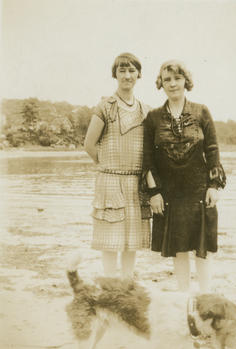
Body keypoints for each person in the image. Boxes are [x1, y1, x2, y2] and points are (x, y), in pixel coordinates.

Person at [142, 60, 226, 292]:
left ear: (185, 81)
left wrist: (214, 186)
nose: (172, 84)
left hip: (200, 189)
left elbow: (212, 150)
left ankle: (206, 297)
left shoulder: (201, 111)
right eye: (167, 79)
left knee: (203, 248)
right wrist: (154, 192)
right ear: (161, 83)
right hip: (169, 193)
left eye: (177, 78)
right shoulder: (153, 117)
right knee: (179, 249)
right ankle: (183, 300)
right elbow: (147, 159)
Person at [84, 53, 151, 278]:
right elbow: (89, 144)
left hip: (135, 182)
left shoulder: (145, 110)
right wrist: (107, 167)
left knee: (132, 242)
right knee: (110, 241)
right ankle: (111, 284)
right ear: (115, 74)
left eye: (131, 71)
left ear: (138, 75)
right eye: (122, 71)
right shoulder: (105, 106)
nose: (127, 75)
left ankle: (127, 284)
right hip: (110, 180)